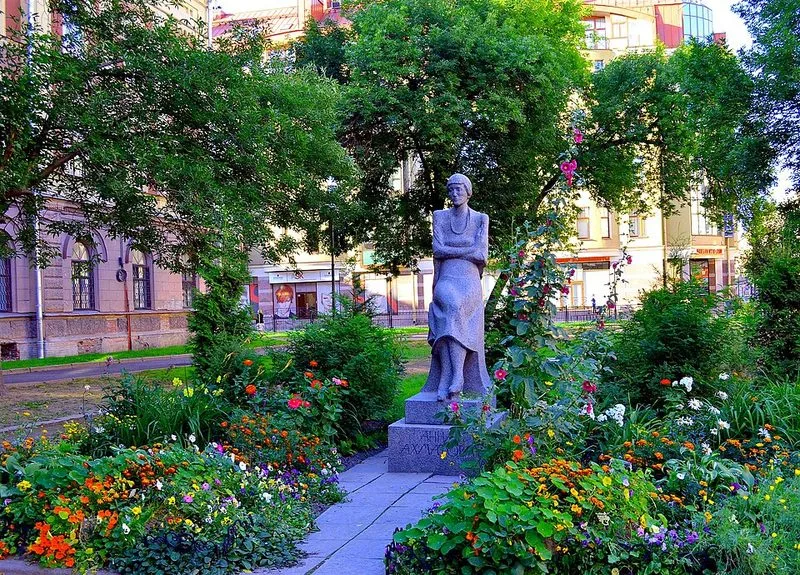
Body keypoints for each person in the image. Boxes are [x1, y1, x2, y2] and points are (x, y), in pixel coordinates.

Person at [423, 174, 491, 401]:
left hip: (469, 281)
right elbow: (437, 250)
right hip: (447, 278)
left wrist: (451, 249)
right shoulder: (440, 217)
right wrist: (465, 250)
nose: (454, 193)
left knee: (452, 313)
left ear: (468, 191)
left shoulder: (480, 219)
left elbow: (481, 254)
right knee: (451, 306)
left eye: (459, 189)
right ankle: (456, 377)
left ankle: (448, 379)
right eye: (451, 189)